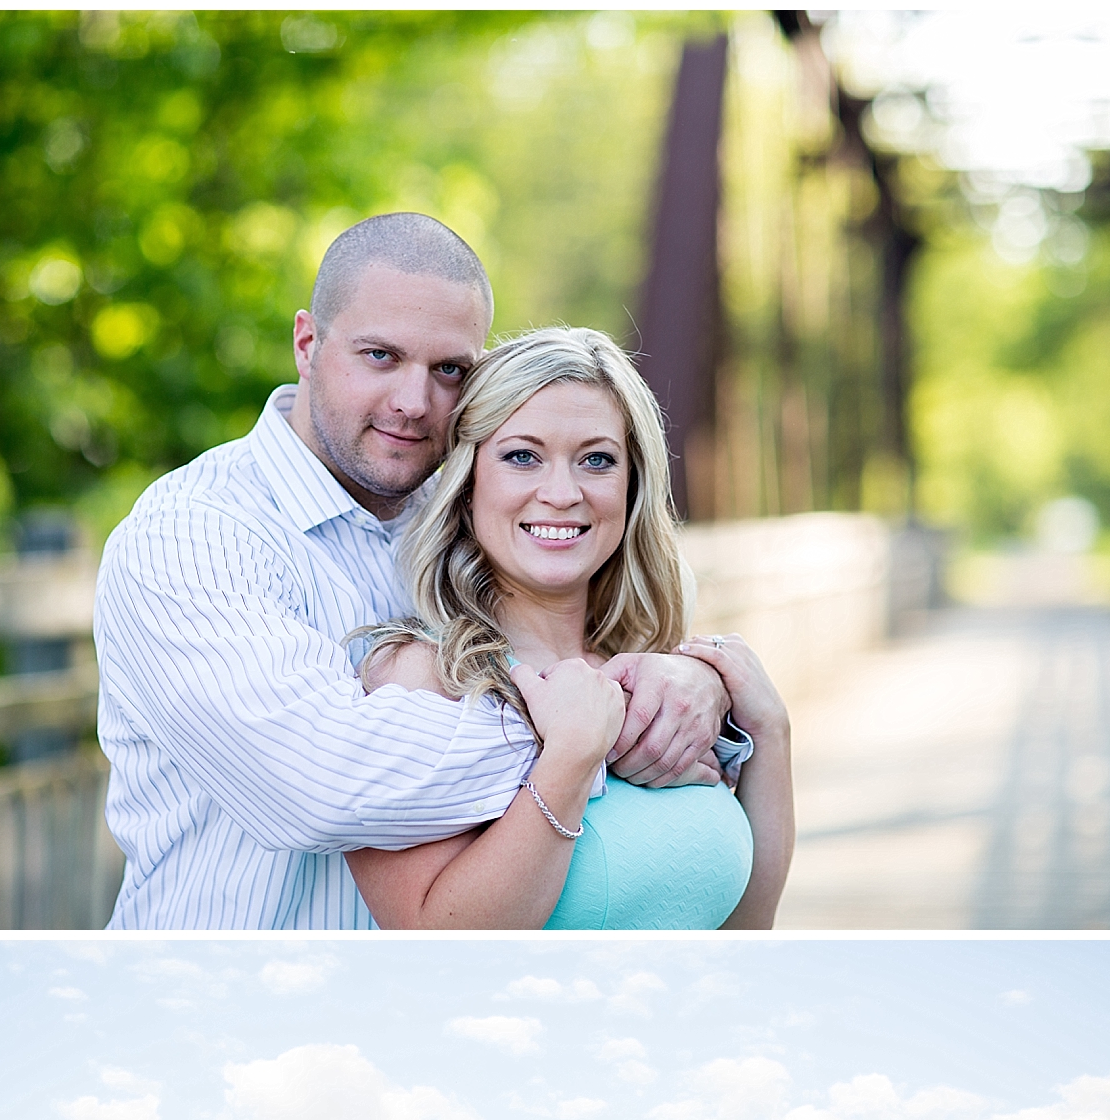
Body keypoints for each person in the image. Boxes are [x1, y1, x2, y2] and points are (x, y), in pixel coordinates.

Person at [94, 213, 735, 928]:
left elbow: (580, 627)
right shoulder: (194, 535)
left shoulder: (473, 512)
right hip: (225, 1009)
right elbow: (318, 783)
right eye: (380, 356)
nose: (413, 401)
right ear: (307, 343)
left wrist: (700, 680)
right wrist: (598, 728)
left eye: (449, 370)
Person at [344, 328, 795, 929]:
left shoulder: (657, 678)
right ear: (467, 480)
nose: (562, 494)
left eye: (597, 460)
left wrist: (771, 730)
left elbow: (745, 933)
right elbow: (434, 942)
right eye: (522, 455)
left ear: (632, 484)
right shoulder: (424, 679)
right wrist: (572, 756)